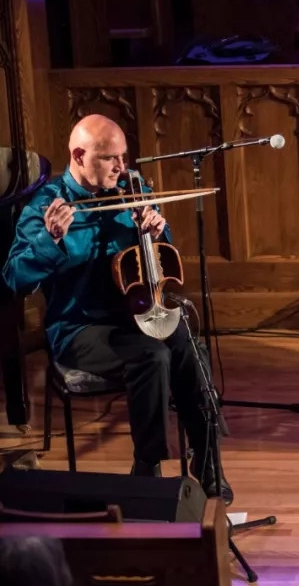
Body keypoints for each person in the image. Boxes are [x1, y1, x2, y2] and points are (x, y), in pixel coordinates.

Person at [2, 114, 232, 504]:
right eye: (110, 158)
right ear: (79, 155)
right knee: (152, 355)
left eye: (124, 157)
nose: (122, 168)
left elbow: (158, 262)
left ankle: (208, 459)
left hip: (135, 315)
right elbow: (12, 280)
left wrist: (157, 233)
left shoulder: (132, 191)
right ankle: (147, 467)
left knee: (186, 342)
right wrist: (49, 240)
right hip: (78, 328)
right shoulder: (46, 205)